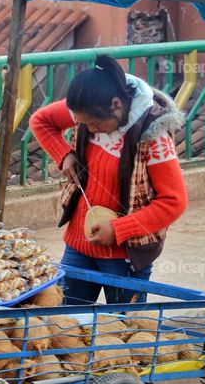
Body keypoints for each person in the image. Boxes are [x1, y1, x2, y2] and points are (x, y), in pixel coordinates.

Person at [30, 54, 188, 303]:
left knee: (122, 330)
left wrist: (118, 229)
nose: (88, 130)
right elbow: (42, 121)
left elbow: (173, 201)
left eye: (94, 124)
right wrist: (64, 155)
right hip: (78, 246)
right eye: (83, 124)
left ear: (116, 104)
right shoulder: (88, 111)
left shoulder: (153, 136)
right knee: (67, 323)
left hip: (124, 256)